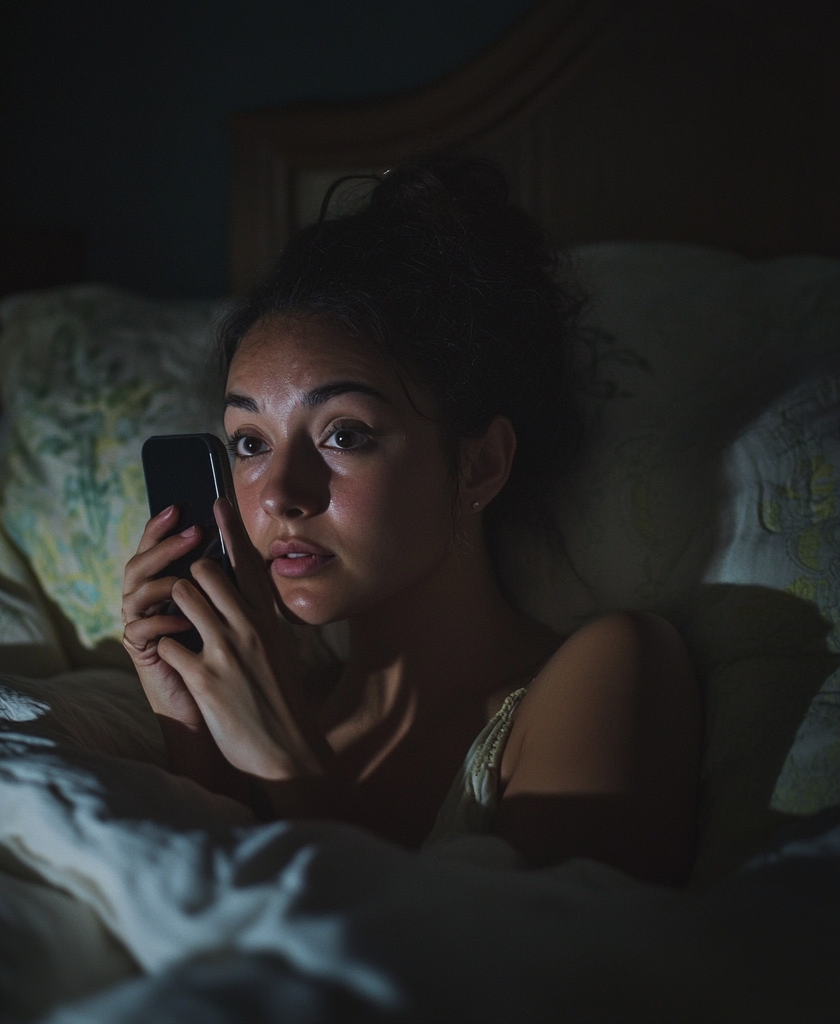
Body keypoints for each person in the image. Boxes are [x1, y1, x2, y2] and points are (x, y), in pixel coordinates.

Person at [121, 160, 701, 886]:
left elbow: (550, 978)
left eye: (345, 435)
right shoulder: (270, 698)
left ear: (481, 465)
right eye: (249, 444)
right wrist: (197, 740)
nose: (279, 496)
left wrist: (288, 764)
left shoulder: (611, 671)